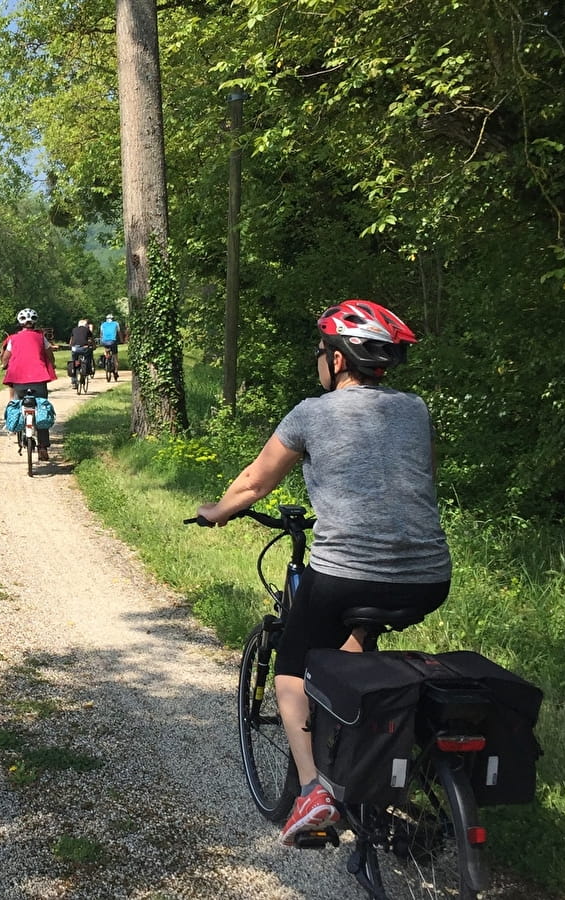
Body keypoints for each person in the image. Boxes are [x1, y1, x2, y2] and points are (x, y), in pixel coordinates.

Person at [194, 299, 451, 846]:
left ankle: (314, 791)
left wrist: (215, 512)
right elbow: (420, 476)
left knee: (293, 670)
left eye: (321, 352)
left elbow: (254, 483)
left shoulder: (311, 414)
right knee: (349, 652)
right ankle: (366, 747)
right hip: (430, 575)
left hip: (348, 574)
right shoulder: (415, 409)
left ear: (337, 360)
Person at [1, 308, 57, 460]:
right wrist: (52, 363)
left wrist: (4, 364)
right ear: (34, 323)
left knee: (18, 404)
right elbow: (49, 353)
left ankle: (18, 430)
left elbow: (6, 357)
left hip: (18, 380)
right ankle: (43, 447)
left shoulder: (13, 339)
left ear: (20, 323)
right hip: (39, 379)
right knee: (41, 407)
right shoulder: (41, 337)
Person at [67, 318, 95, 384]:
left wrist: (70, 346)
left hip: (74, 348)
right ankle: (87, 370)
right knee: (88, 356)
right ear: (85, 325)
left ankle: (73, 379)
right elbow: (91, 339)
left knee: (74, 361)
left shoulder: (74, 329)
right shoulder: (87, 330)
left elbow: (71, 339)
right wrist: (94, 346)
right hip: (84, 348)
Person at [98, 314, 123, 380]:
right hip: (113, 341)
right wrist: (121, 340)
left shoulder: (103, 324)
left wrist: (101, 341)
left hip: (104, 341)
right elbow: (119, 333)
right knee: (115, 356)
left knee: (106, 350)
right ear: (113, 318)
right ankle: (116, 371)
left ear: (106, 319)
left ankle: (106, 359)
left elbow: (101, 334)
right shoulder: (116, 324)